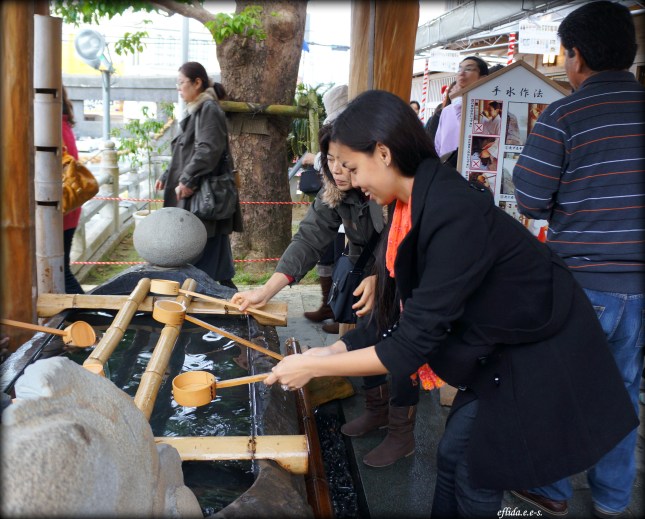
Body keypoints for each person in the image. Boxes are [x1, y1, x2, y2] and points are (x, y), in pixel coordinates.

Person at [263, 89, 638, 517]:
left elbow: (409, 345)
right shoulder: (412, 205)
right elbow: (400, 316)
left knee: (477, 471)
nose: (353, 181)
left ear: (383, 153)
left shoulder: (449, 211)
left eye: (352, 166)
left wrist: (312, 366)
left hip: (537, 351)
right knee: (454, 456)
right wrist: (331, 349)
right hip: (499, 348)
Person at [512, 3, 644, 518]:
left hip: (582, 282)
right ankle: (613, 499)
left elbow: (529, 198)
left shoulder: (565, 115)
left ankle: (551, 488)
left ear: (578, 56)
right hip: (640, 288)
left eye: (565, 53)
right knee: (623, 390)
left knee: (560, 387)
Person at [156, 62, 242, 289]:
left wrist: (187, 179)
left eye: (181, 82)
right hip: (203, 195)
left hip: (204, 195)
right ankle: (224, 297)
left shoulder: (208, 109)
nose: (178, 88)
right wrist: (167, 175)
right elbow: (184, 151)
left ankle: (215, 300)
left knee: (202, 249)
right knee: (211, 251)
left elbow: (208, 149)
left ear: (197, 82)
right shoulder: (199, 109)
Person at [300, 84, 350, 334]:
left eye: (344, 162)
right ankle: (331, 308)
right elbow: (309, 236)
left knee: (346, 263)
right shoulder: (334, 190)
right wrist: (268, 288)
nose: (337, 169)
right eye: (329, 160)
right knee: (328, 258)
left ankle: (343, 316)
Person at [434, 56, 489, 162]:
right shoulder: (447, 110)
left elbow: (472, 131)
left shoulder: (487, 109)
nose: (461, 73)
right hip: (447, 171)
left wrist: (457, 100)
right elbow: (438, 145)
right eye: (459, 69)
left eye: (468, 69)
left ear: (483, 78)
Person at [61, 86, 85, 294]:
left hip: (59, 207)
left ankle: (88, 318)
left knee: (61, 273)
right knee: (62, 271)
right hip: (69, 206)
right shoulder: (64, 123)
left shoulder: (52, 128)